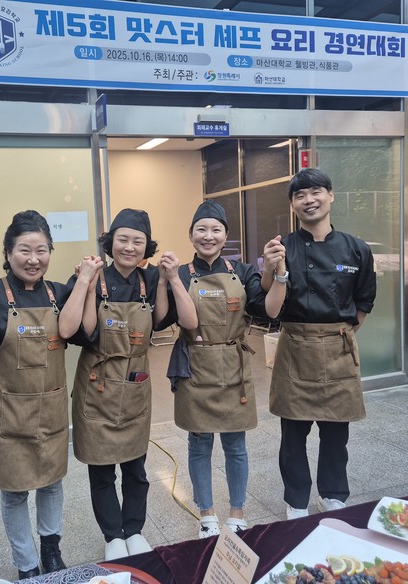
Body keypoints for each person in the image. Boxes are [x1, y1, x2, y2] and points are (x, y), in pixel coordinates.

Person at [0, 210, 102, 580]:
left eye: (41, 250)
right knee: (14, 492)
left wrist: (85, 285)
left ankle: (51, 551)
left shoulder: (58, 293)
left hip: (50, 410)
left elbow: (83, 334)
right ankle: (26, 564)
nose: (33, 259)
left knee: (52, 483)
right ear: (8, 253)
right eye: (24, 250)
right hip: (8, 416)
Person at [62, 208, 197, 561]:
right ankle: (113, 536)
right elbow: (82, 332)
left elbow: (162, 320)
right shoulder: (93, 276)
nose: (129, 247)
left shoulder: (151, 279)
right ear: (110, 242)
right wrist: (85, 283)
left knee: (136, 469)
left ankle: (134, 530)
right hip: (97, 385)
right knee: (101, 469)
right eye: (122, 239)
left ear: (146, 247)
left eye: (138, 241)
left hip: (135, 383)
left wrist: (167, 280)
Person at [158, 200, 287, 539]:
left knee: (235, 444)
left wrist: (278, 271)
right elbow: (166, 318)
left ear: (225, 235)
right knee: (199, 444)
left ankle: (237, 514)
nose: (208, 236)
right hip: (195, 368)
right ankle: (207, 515)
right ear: (191, 234)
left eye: (216, 230)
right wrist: (165, 280)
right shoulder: (181, 274)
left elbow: (268, 310)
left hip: (233, 367)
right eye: (201, 229)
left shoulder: (242, 272)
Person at [262, 168, 376, 520]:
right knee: (293, 435)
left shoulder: (356, 248)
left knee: (336, 432)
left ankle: (333, 495)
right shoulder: (283, 247)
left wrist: (339, 335)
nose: (309, 200)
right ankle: (296, 502)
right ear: (292, 204)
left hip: (338, 348)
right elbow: (268, 302)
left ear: (330, 195)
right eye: (300, 195)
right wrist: (271, 267)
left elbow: (364, 302)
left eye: (315, 192)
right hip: (295, 346)